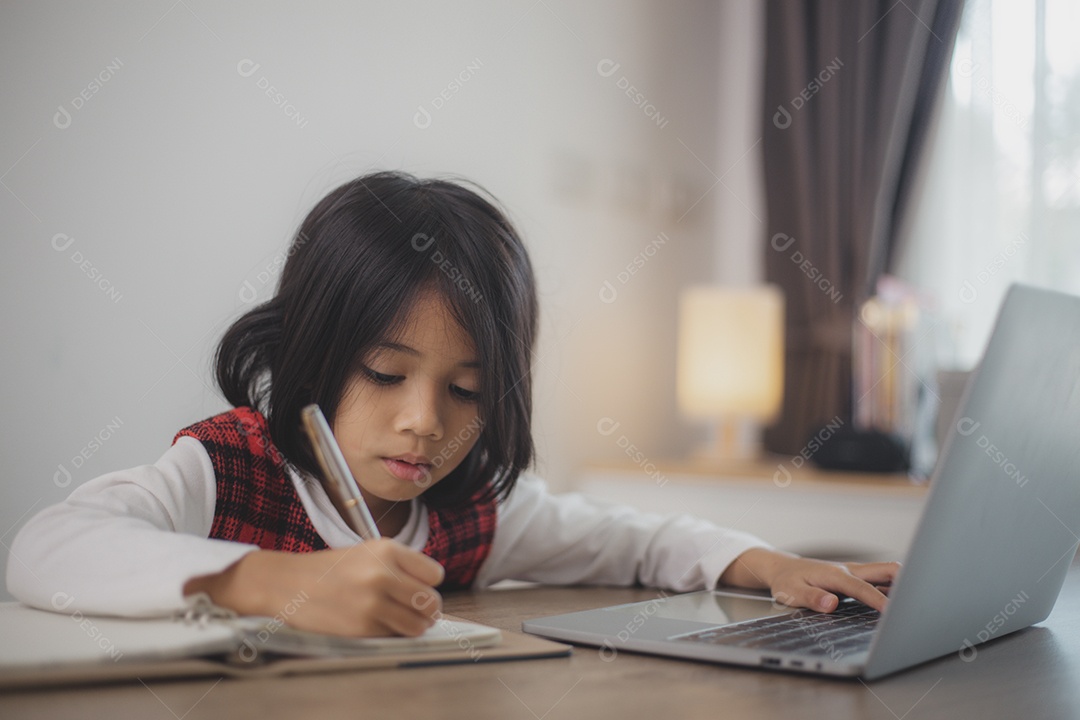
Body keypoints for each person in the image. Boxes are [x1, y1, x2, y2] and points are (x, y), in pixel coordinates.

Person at [6, 172, 898, 637]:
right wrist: (263, 580)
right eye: (386, 374)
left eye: (466, 389)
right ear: (312, 354)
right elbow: (46, 547)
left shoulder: (472, 511)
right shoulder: (227, 469)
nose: (425, 422)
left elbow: (638, 540)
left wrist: (763, 563)